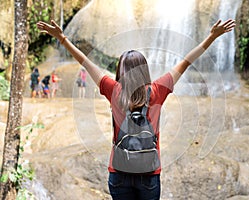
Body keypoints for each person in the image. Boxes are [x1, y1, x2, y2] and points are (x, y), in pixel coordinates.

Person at [37, 18, 235, 200]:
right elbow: (187, 62)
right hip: (149, 174)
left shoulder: (113, 90)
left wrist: (62, 38)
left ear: (120, 71)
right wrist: (212, 37)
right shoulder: (158, 89)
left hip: (119, 172)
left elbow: (85, 62)